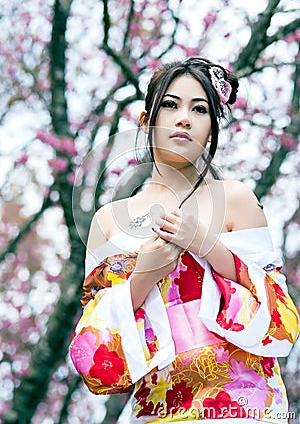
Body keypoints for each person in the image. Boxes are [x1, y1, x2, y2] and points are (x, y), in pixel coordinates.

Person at [70, 57, 299, 423]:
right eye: (170, 105)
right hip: (157, 411)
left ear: (211, 127)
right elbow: (94, 361)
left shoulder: (236, 199)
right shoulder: (109, 222)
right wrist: (144, 275)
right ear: (147, 121)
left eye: (200, 109)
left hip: (247, 408)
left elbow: (282, 323)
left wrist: (207, 245)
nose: (184, 118)